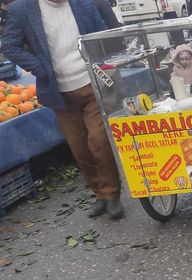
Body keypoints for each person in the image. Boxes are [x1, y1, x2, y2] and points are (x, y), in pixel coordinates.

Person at [2, 0, 125, 219]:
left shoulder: (84, 3)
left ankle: (112, 194)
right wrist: (38, 66)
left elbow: (101, 34)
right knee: (79, 147)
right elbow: (9, 46)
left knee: (98, 141)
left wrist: (106, 62)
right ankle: (99, 193)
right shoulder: (22, 10)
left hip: (91, 83)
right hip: (60, 92)